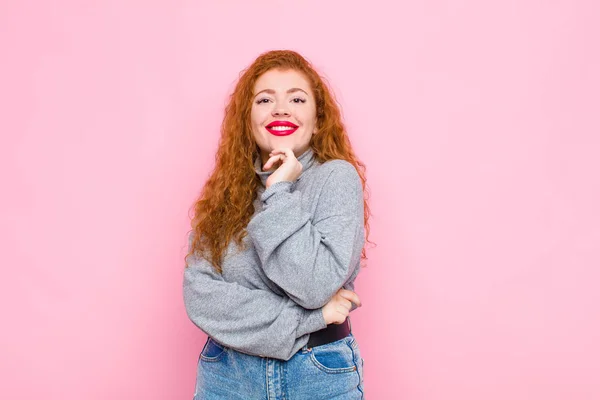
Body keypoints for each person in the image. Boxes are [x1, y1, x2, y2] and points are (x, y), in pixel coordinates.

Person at [183, 49, 372, 400]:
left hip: (317, 373)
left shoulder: (336, 178)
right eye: (265, 99)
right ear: (248, 119)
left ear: (317, 121)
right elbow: (201, 296)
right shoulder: (224, 194)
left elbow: (313, 285)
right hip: (227, 374)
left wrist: (280, 190)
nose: (281, 108)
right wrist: (312, 318)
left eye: (296, 98)